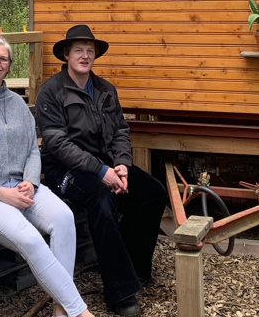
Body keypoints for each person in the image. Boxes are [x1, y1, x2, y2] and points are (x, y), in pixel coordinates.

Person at [0, 36, 95, 317]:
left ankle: (60, 309)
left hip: (24, 186)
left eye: (3, 59)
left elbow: (32, 148)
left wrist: (30, 181)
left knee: (64, 218)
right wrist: (0, 193)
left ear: (9, 66)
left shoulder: (18, 103)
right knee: (30, 239)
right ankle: (79, 311)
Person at [36, 24, 168, 317]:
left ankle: (134, 268)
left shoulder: (106, 90)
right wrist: (100, 172)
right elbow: (57, 143)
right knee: (101, 199)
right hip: (64, 172)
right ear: (67, 55)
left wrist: (122, 164)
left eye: (90, 51)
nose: (85, 56)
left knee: (153, 193)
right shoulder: (51, 92)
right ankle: (119, 293)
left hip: (106, 164)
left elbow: (121, 129)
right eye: (79, 50)